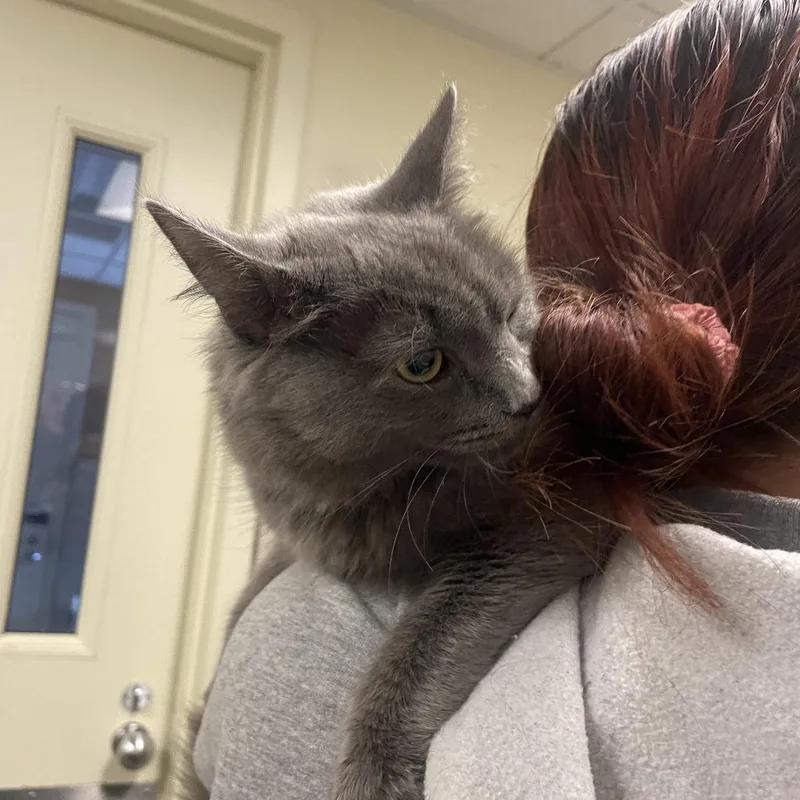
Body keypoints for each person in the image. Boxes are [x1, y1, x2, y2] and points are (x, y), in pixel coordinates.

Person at [191, 0, 800, 797]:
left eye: (515, 317)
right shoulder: (313, 636)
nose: (524, 389)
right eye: (425, 365)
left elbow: (555, 520)